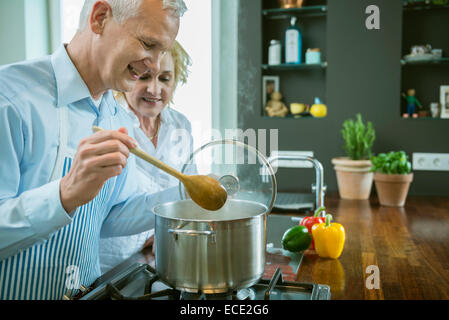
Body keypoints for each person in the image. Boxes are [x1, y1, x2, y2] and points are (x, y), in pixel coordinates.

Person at [0, 0, 187, 300]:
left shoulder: (115, 114)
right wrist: (65, 193)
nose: (154, 64)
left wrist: (183, 195)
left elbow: (109, 217)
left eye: (162, 50)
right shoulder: (10, 98)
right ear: (99, 18)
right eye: (148, 43)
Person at [99, 40, 193, 273]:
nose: (154, 89)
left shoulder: (180, 124)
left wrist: (162, 231)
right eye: (144, 77)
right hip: (112, 260)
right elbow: (104, 214)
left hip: (157, 254)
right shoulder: (109, 125)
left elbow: (191, 188)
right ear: (128, 77)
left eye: (164, 78)